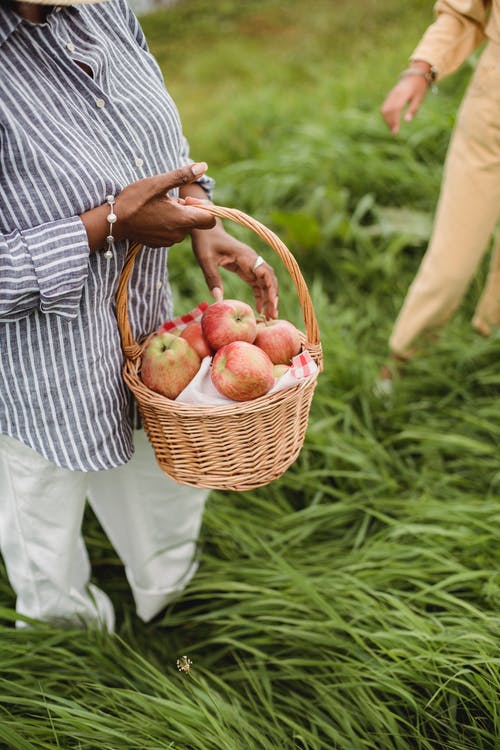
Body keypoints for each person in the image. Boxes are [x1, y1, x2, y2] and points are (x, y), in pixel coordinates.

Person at [0, 0, 278, 630]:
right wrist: (110, 224)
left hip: (146, 332)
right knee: (43, 520)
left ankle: (172, 604)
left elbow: (152, 118)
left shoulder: (102, 7)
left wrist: (195, 204)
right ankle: (65, 644)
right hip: (37, 369)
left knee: (161, 486)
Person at [379, 0, 500, 379]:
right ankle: (400, 365)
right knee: (450, 264)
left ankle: (486, 343)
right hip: (492, 119)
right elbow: (466, 11)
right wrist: (421, 68)